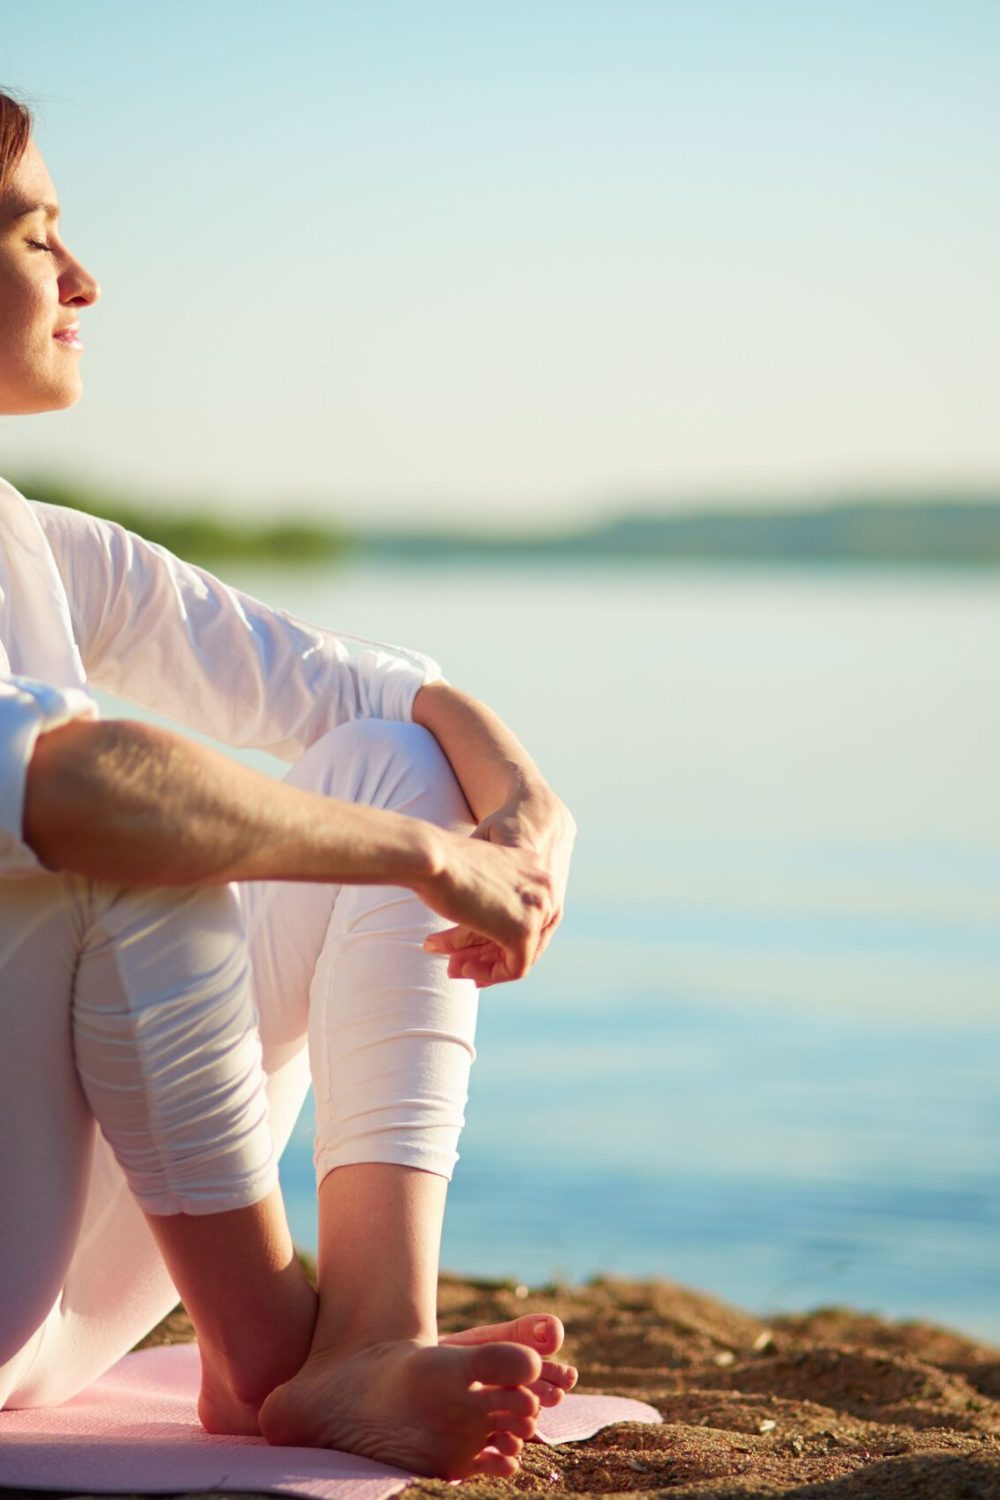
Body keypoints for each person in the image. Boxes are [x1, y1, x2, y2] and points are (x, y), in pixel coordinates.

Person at [0, 88, 578, 1481]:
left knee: (390, 767)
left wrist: (527, 812)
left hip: (54, 1292)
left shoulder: (38, 549)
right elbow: (76, 786)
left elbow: (380, 695)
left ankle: (367, 1337)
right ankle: (269, 1353)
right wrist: (425, 860)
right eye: (32, 236)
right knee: (141, 836)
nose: (83, 280)